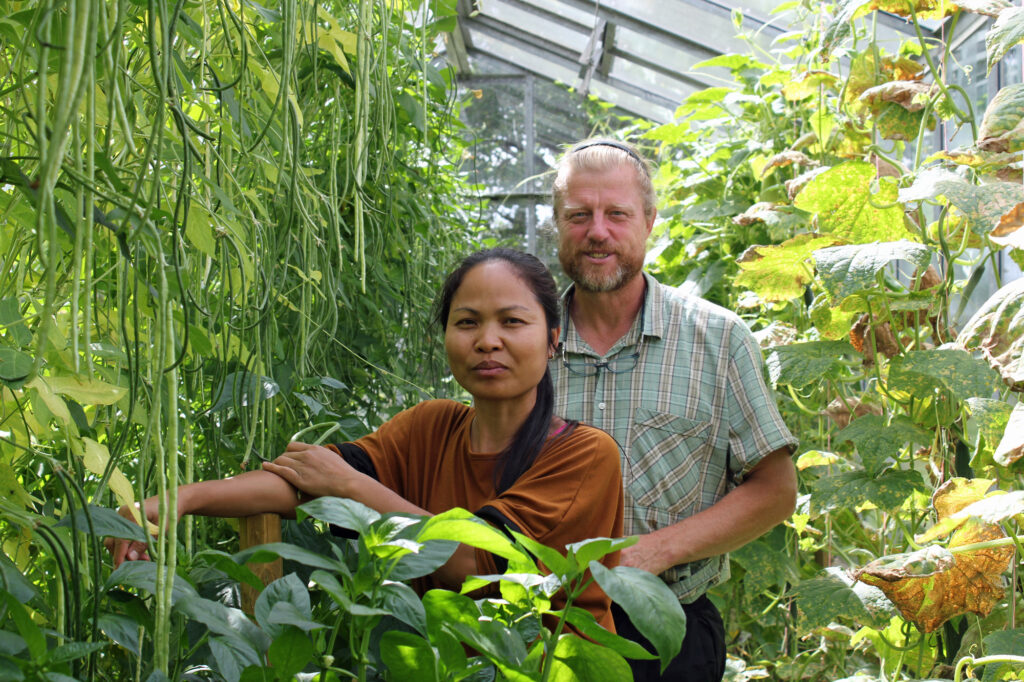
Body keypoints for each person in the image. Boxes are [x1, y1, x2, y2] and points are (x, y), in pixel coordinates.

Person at [109, 248, 624, 630]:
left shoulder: (582, 455)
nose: (487, 340)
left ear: (554, 339)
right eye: (467, 322)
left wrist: (351, 488)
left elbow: (477, 565)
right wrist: (175, 502)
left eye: (513, 321)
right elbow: (303, 483)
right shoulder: (430, 427)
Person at [549, 138, 799, 681]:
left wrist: (652, 553)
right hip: (544, 625)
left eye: (617, 213)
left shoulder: (718, 338)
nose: (597, 231)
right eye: (579, 215)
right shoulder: (523, 340)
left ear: (650, 221)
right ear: (557, 222)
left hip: (669, 630)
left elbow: (775, 488)